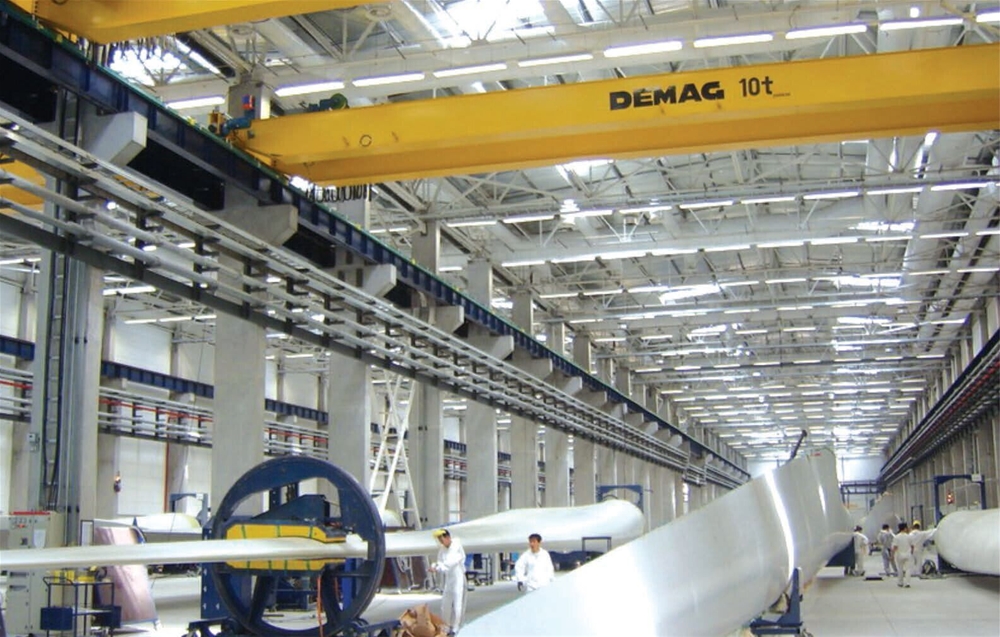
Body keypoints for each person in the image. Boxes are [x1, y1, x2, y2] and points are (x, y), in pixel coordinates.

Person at [431, 528, 466, 636]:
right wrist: (435, 565)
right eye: (439, 540)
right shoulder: (442, 549)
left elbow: (449, 564)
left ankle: (455, 627)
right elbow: (440, 562)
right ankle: (446, 626)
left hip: (458, 577)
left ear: (448, 537)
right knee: (445, 604)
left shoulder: (456, 546)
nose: (441, 542)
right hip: (449, 579)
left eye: (442, 539)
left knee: (457, 604)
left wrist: (437, 568)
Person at [891, 522, 914, 588]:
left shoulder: (896, 537)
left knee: (900, 569)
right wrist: (911, 552)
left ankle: (900, 582)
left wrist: (892, 555)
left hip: (899, 555)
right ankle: (907, 583)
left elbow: (895, 547)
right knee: (908, 569)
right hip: (908, 554)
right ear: (905, 528)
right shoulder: (909, 536)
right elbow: (912, 546)